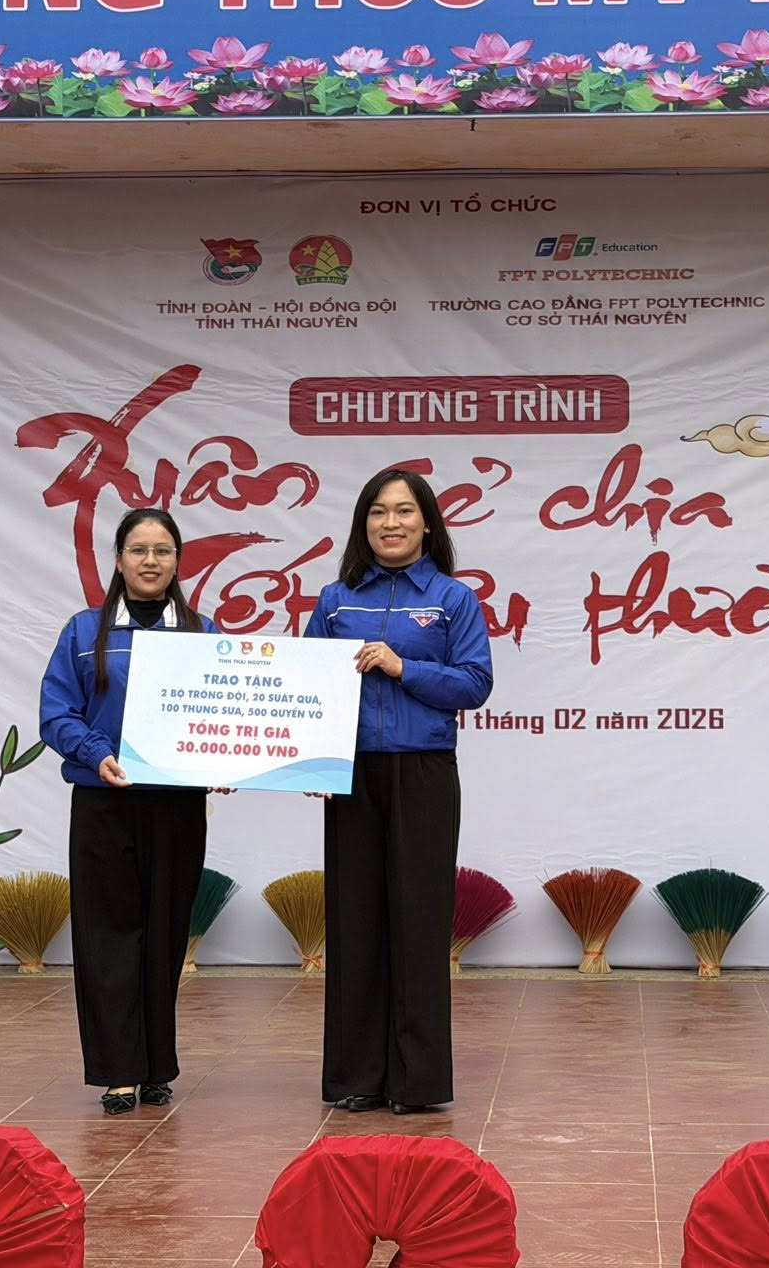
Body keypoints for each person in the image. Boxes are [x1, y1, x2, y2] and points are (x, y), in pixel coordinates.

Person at [305, 468, 494, 1115]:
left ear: (427, 523)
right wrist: (310, 765)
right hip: (351, 774)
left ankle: (417, 1083)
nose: (391, 523)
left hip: (423, 772)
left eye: (404, 511)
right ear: (363, 524)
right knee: (353, 920)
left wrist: (402, 665)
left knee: (419, 921)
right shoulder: (335, 601)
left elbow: (474, 684)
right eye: (378, 512)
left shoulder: (452, 600)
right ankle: (356, 1077)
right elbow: (308, 688)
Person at [40, 507, 215, 1115]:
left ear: (177, 561)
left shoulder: (203, 633)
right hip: (104, 801)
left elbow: (225, 713)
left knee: (165, 935)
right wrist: (97, 753)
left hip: (177, 806)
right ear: (118, 559)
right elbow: (56, 715)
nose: (150, 560)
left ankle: (156, 1067)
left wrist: (229, 761)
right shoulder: (83, 632)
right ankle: (118, 1073)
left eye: (162, 550)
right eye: (138, 549)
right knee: (108, 936)